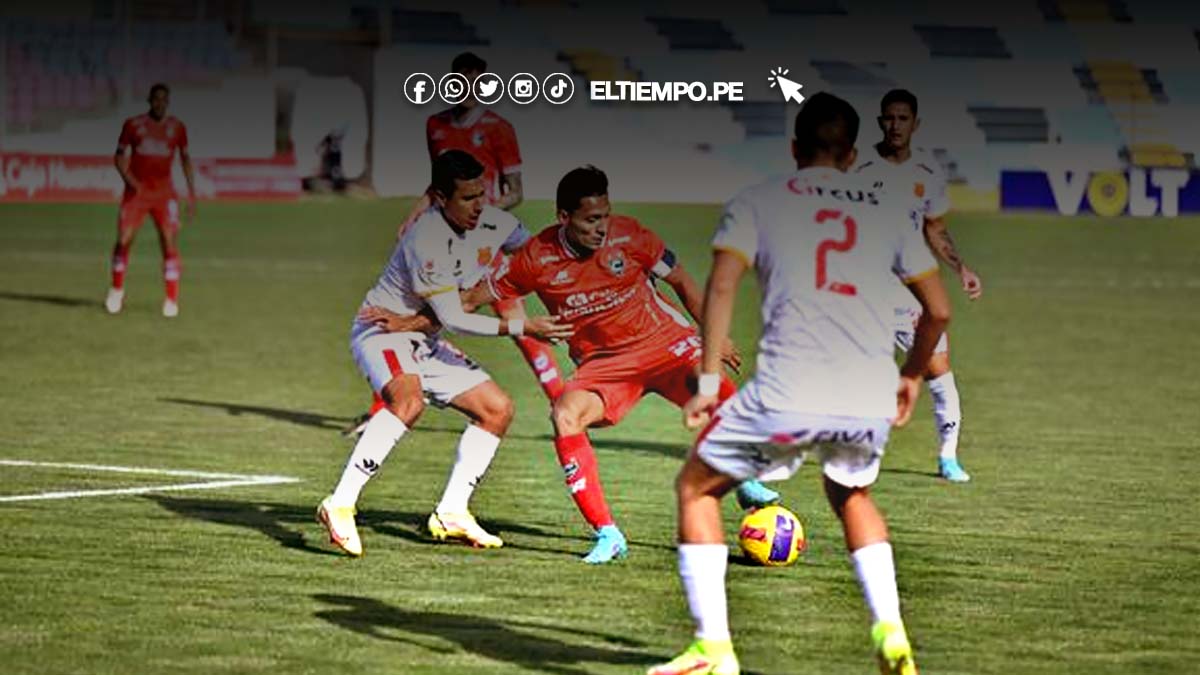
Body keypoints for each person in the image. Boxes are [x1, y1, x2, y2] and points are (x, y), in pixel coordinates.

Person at [650, 93, 951, 675]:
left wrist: (709, 381)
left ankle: (714, 649)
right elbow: (938, 310)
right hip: (866, 391)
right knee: (852, 496)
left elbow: (721, 287)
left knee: (696, 490)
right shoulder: (889, 210)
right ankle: (891, 630)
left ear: (794, 148)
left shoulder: (758, 201)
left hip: (789, 389)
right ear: (853, 154)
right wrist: (912, 375)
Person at [367, 166, 781, 564]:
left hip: (665, 343)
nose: (601, 228)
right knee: (565, 414)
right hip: (605, 365)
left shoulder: (632, 236)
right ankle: (608, 534)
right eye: (590, 220)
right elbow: (469, 301)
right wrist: (410, 323)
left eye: (605, 216)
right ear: (563, 217)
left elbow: (683, 283)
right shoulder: (535, 258)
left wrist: (713, 336)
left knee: (712, 382)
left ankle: (741, 475)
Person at [316, 150, 571, 557]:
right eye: (467, 198)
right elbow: (455, 318)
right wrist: (524, 326)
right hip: (383, 333)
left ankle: (452, 512)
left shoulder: (495, 223)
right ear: (439, 197)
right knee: (408, 403)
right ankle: (340, 503)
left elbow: (541, 254)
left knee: (496, 409)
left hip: (422, 337)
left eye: (481, 194)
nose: (478, 206)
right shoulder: (427, 239)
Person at [853, 88, 982, 482]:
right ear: (880, 122)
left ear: (915, 124)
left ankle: (948, 457)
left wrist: (960, 268)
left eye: (903, 118)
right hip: (864, 287)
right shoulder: (858, 167)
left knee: (938, 368)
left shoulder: (926, 172)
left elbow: (934, 228)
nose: (895, 126)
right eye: (889, 118)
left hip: (908, 287)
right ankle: (856, 452)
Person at [106, 83, 196, 317]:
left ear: (168, 102)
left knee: (169, 243)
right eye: (156, 98)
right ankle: (116, 290)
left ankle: (171, 299)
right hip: (136, 194)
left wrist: (191, 193)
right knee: (123, 240)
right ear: (149, 100)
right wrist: (130, 181)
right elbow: (118, 157)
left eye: (163, 99)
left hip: (164, 195)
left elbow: (186, 159)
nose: (159, 103)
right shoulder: (133, 125)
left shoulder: (178, 128)